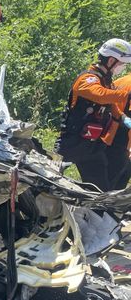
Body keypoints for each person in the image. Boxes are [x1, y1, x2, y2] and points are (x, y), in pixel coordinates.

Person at [56, 39, 131, 191]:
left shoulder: (106, 82)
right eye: (122, 64)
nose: (123, 68)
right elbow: (100, 95)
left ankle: (89, 213)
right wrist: (125, 94)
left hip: (92, 146)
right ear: (111, 60)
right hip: (71, 143)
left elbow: (113, 107)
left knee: (100, 190)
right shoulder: (88, 79)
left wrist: (125, 119)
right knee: (48, 184)